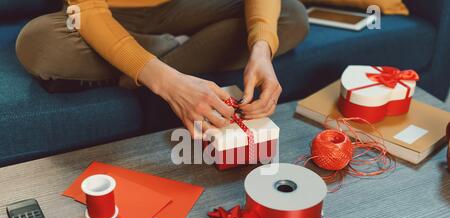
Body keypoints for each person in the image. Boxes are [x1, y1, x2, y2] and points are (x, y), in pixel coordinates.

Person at [16, 0, 309, 136]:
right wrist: (169, 85)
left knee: (290, 15)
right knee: (38, 43)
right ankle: (161, 52)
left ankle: (144, 63)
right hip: (102, 14)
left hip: (184, 7)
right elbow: (88, 12)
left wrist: (260, 49)